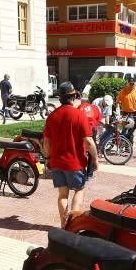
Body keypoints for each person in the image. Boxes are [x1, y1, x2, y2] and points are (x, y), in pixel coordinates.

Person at [43, 82, 99, 227]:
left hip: (57, 162)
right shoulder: (79, 115)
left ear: (60, 98)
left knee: (62, 195)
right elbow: (88, 141)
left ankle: (63, 223)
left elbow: (46, 143)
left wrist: (47, 158)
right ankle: (73, 224)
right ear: (73, 96)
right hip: (75, 163)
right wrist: (95, 158)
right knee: (79, 190)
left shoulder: (52, 116)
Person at [79, 94, 102, 181]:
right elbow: (99, 120)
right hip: (92, 130)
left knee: (81, 150)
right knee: (92, 150)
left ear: (81, 102)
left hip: (81, 130)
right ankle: (90, 173)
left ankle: (82, 172)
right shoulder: (95, 108)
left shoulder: (78, 108)